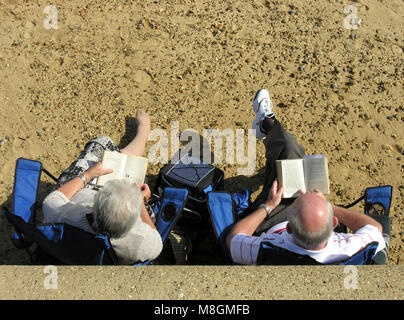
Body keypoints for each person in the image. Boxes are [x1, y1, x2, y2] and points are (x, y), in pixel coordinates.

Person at [226, 89, 388, 265]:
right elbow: (376, 229)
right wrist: (325, 206)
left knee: (290, 153)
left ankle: (266, 125)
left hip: (271, 220)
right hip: (307, 223)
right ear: (334, 223)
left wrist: (268, 206)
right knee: (289, 163)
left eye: (299, 200)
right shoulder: (348, 249)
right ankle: (267, 128)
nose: (302, 194)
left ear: (288, 228)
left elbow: (233, 239)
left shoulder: (267, 249)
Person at [42, 110, 163, 264]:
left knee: (101, 143)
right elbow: (155, 236)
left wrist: (88, 175)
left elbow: (52, 199)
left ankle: (135, 141)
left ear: (95, 204)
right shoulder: (141, 242)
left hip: (75, 234)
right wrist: (141, 204)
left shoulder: (61, 215)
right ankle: (142, 134)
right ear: (133, 222)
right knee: (116, 157)